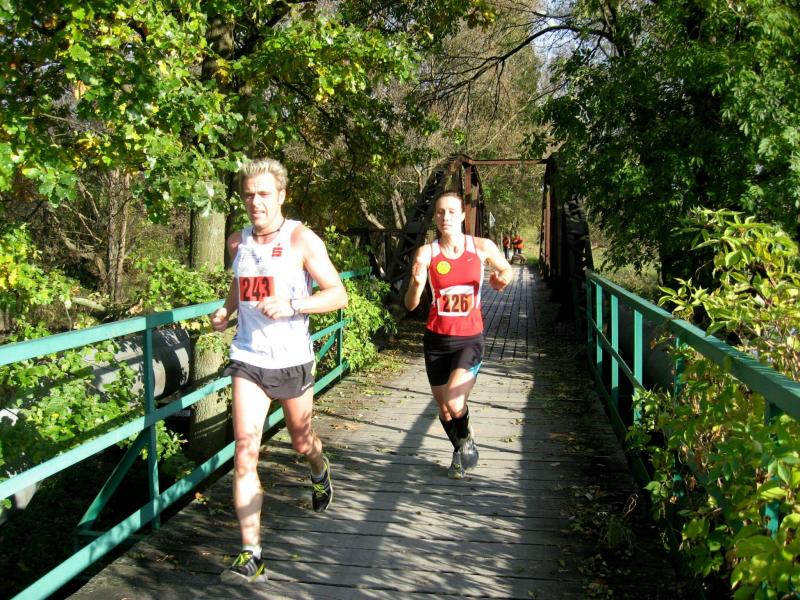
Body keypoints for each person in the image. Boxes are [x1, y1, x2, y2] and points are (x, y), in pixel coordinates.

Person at [210, 158, 348, 585]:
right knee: (245, 451)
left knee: (301, 441)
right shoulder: (237, 242)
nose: (256, 202)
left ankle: (319, 469)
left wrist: (293, 305)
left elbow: (337, 294)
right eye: (249, 194)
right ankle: (252, 555)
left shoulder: (301, 239)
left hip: (291, 360)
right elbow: (240, 284)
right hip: (248, 358)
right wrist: (226, 311)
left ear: (282, 195)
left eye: (264, 194)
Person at [404, 192, 513, 479]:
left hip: (469, 339)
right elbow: (410, 304)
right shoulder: (427, 253)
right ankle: (460, 448)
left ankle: (465, 441)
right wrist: (416, 283)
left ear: (463, 215)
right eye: (440, 212)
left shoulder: (481, 247)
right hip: (436, 340)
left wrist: (501, 280)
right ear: (435, 217)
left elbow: (506, 269)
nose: (446, 217)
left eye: (452, 211)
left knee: (455, 402)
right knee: (444, 409)